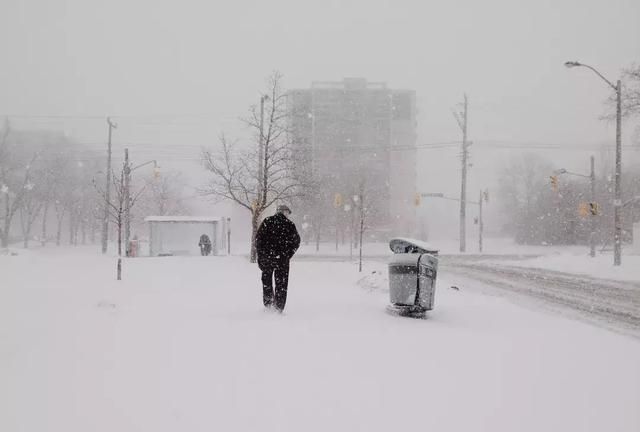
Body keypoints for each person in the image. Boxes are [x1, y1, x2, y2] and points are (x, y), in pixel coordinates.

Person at [255, 204, 300, 312]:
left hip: (267, 258)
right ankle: (279, 307)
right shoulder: (289, 225)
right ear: (285, 212)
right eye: (288, 213)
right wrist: (288, 254)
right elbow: (296, 242)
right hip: (282, 260)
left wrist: (262, 255)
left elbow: (258, 240)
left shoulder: (267, 222)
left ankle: (268, 304)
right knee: (281, 283)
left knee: (267, 282)